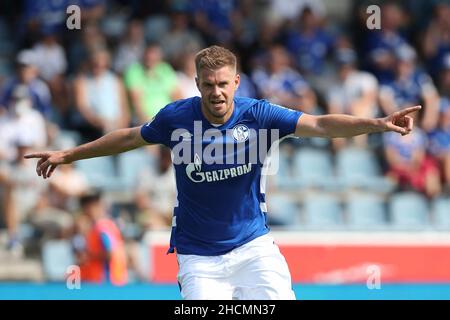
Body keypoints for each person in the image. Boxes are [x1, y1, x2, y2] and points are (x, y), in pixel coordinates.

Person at [25, 45, 420, 300]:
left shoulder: (260, 114)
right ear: (197, 84)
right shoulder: (176, 118)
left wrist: (378, 123)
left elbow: (320, 124)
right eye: (208, 84)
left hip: (253, 247)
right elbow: (129, 137)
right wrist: (69, 154)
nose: (216, 92)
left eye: (223, 84)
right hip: (199, 258)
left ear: (236, 82)